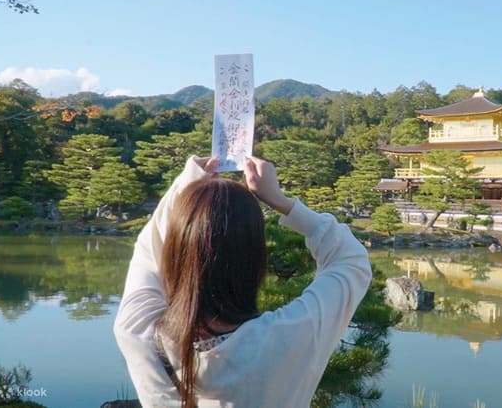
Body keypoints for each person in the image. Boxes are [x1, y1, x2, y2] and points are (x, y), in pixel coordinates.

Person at [113, 155, 372, 407]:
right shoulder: (289, 335)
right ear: (255, 256)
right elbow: (350, 260)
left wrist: (188, 182)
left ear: (174, 253)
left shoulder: (137, 331)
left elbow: (148, 248)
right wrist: (280, 201)